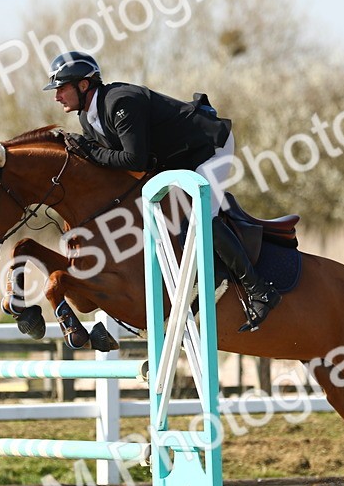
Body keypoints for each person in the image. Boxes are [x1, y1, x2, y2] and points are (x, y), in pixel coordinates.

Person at [43, 50, 280, 331]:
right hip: (179, 159)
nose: (57, 96)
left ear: (83, 85)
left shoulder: (121, 102)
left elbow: (134, 160)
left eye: (61, 88)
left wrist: (91, 152)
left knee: (200, 216)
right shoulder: (88, 118)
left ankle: (260, 290)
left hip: (209, 149)